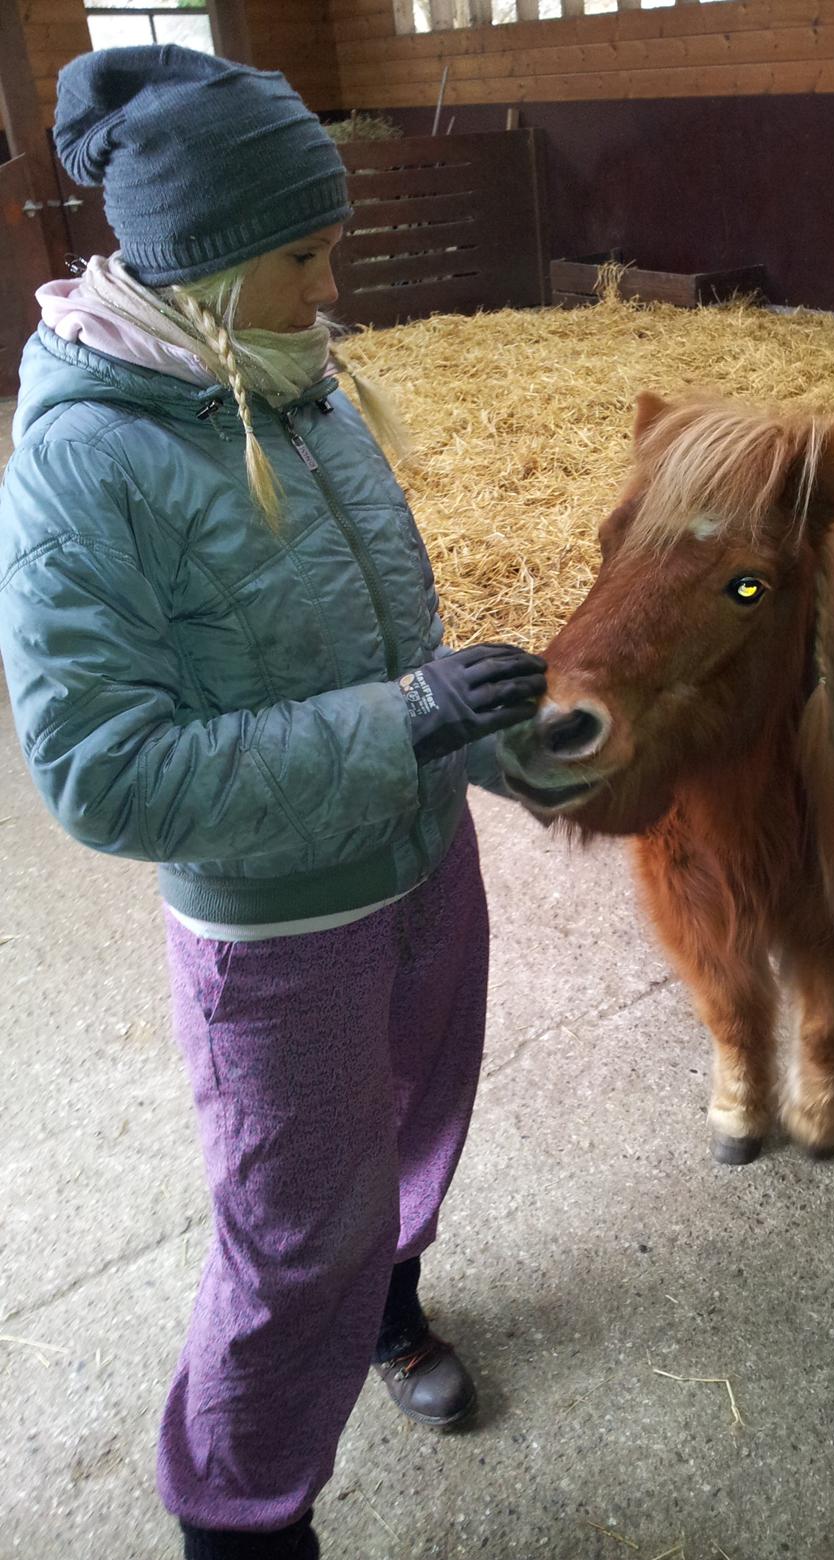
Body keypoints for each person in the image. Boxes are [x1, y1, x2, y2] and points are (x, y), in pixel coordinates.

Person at [0, 45, 547, 1560]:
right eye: (302, 254)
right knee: (289, 1236)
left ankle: (390, 1307)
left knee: (419, 1122)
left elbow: (394, 643)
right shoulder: (84, 462)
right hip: (279, 926)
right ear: (208, 263)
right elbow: (102, 774)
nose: (330, 280)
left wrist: (495, 743)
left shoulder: (302, 388)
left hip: (417, 856)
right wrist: (400, 721)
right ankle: (241, 1521)